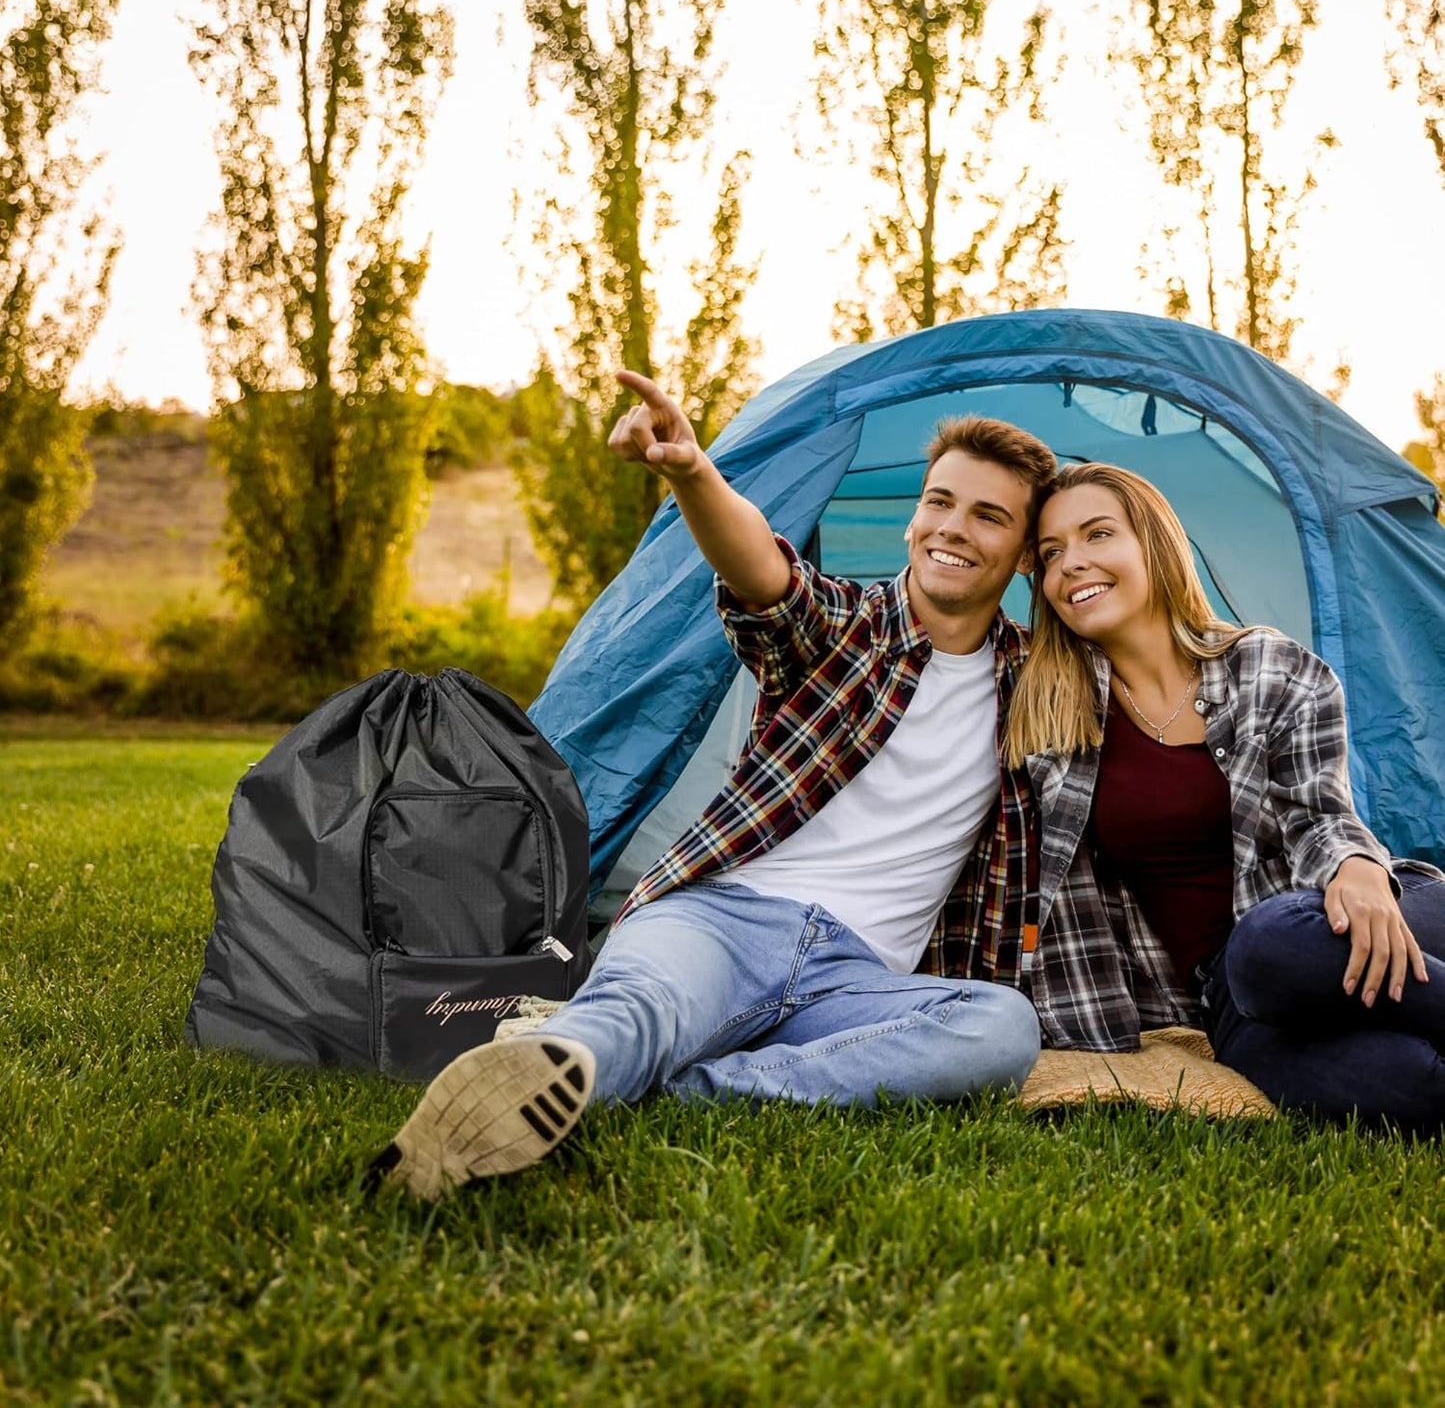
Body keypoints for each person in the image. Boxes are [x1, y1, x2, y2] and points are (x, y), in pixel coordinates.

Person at [370, 372, 1056, 1199]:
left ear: (1022, 554)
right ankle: (525, 1092)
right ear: (914, 516)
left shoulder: (1037, 681)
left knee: (1000, 1025)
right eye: (939, 501)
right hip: (721, 920)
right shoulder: (846, 627)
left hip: (858, 977)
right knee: (642, 1006)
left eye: (988, 515)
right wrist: (691, 470)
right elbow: (766, 572)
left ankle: (679, 1084)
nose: (952, 527)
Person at [1004, 460, 1445, 1133]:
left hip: (1338, 908)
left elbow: (1319, 813)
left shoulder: (1270, 665)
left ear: (1152, 541)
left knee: (1273, 942)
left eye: (1097, 534)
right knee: (1401, 1082)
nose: (1071, 563)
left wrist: (1355, 866)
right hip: (1232, 993)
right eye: (1049, 553)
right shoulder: (1048, 712)